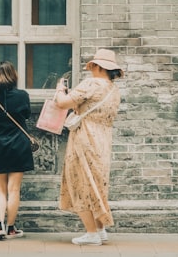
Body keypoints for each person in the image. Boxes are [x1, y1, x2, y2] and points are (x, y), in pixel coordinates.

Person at [53, 48, 123, 246]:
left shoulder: (92, 83)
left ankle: (91, 233)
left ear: (98, 67)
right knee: (96, 184)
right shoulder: (113, 89)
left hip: (85, 138)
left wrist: (59, 89)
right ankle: (100, 230)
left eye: (93, 66)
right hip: (103, 139)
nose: (91, 69)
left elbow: (62, 103)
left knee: (80, 183)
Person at [0, 61, 34, 240]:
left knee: (0, 189)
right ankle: (11, 228)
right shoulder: (23, 95)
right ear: (13, 75)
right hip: (19, 144)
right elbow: (27, 115)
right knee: (14, 190)